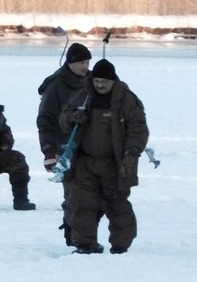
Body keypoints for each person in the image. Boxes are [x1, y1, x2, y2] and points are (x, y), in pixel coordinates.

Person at [59, 59, 149, 254]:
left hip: (114, 163)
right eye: (96, 81)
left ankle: (120, 246)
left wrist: (131, 154)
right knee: (82, 203)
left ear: (113, 81)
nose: (99, 85)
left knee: (117, 205)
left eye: (104, 82)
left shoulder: (126, 99)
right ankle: (84, 244)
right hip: (84, 161)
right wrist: (72, 118)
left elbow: (138, 129)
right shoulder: (83, 96)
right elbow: (63, 119)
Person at [37, 42, 93, 243]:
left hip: (92, 147)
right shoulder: (56, 85)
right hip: (65, 147)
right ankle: (73, 237)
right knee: (74, 196)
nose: (84, 67)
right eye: (80, 63)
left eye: (87, 62)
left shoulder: (94, 81)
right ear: (70, 62)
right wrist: (49, 151)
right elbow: (45, 120)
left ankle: (85, 235)